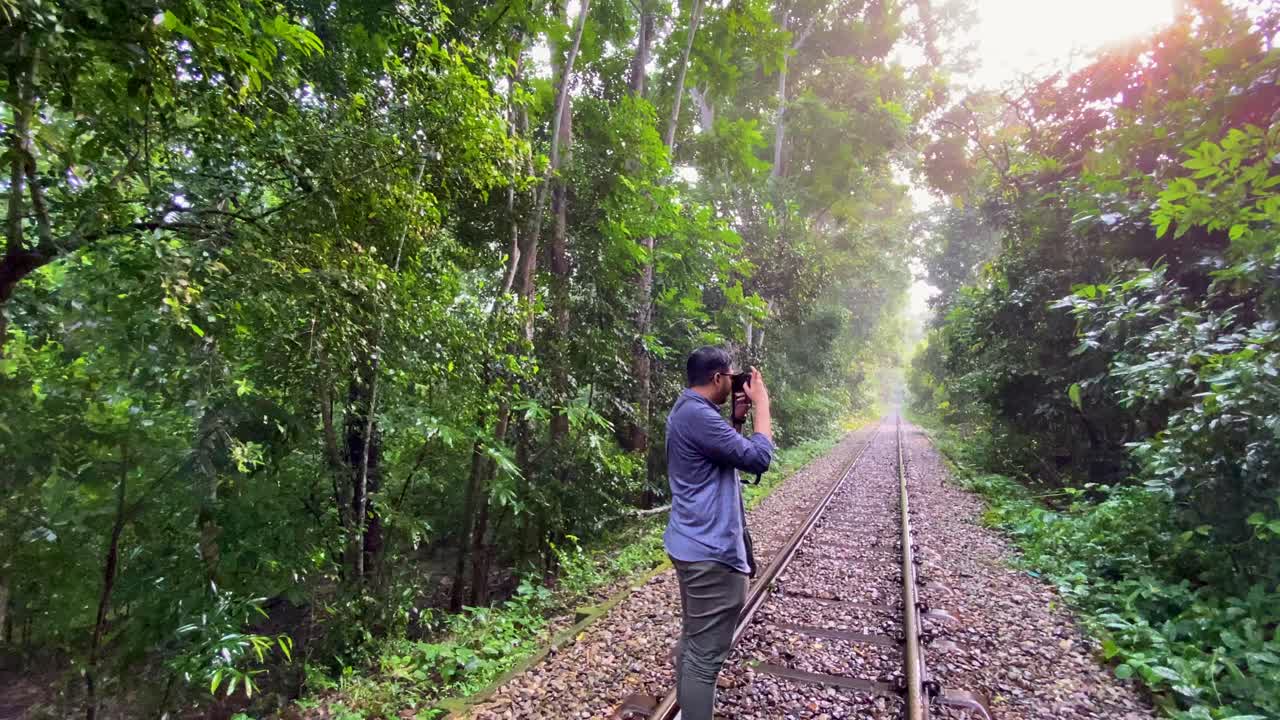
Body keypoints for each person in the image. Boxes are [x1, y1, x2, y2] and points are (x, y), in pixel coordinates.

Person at [664, 346, 773, 720]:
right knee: (704, 659)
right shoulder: (698, 415)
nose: (735, 383)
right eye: (731, 377)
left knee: (694, 640)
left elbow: (722, 452)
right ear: (717, 379)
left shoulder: (689, 410)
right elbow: (759, 458)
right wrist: (762, 405)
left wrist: (738, 420)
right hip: (710, 552)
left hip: (691, 541)